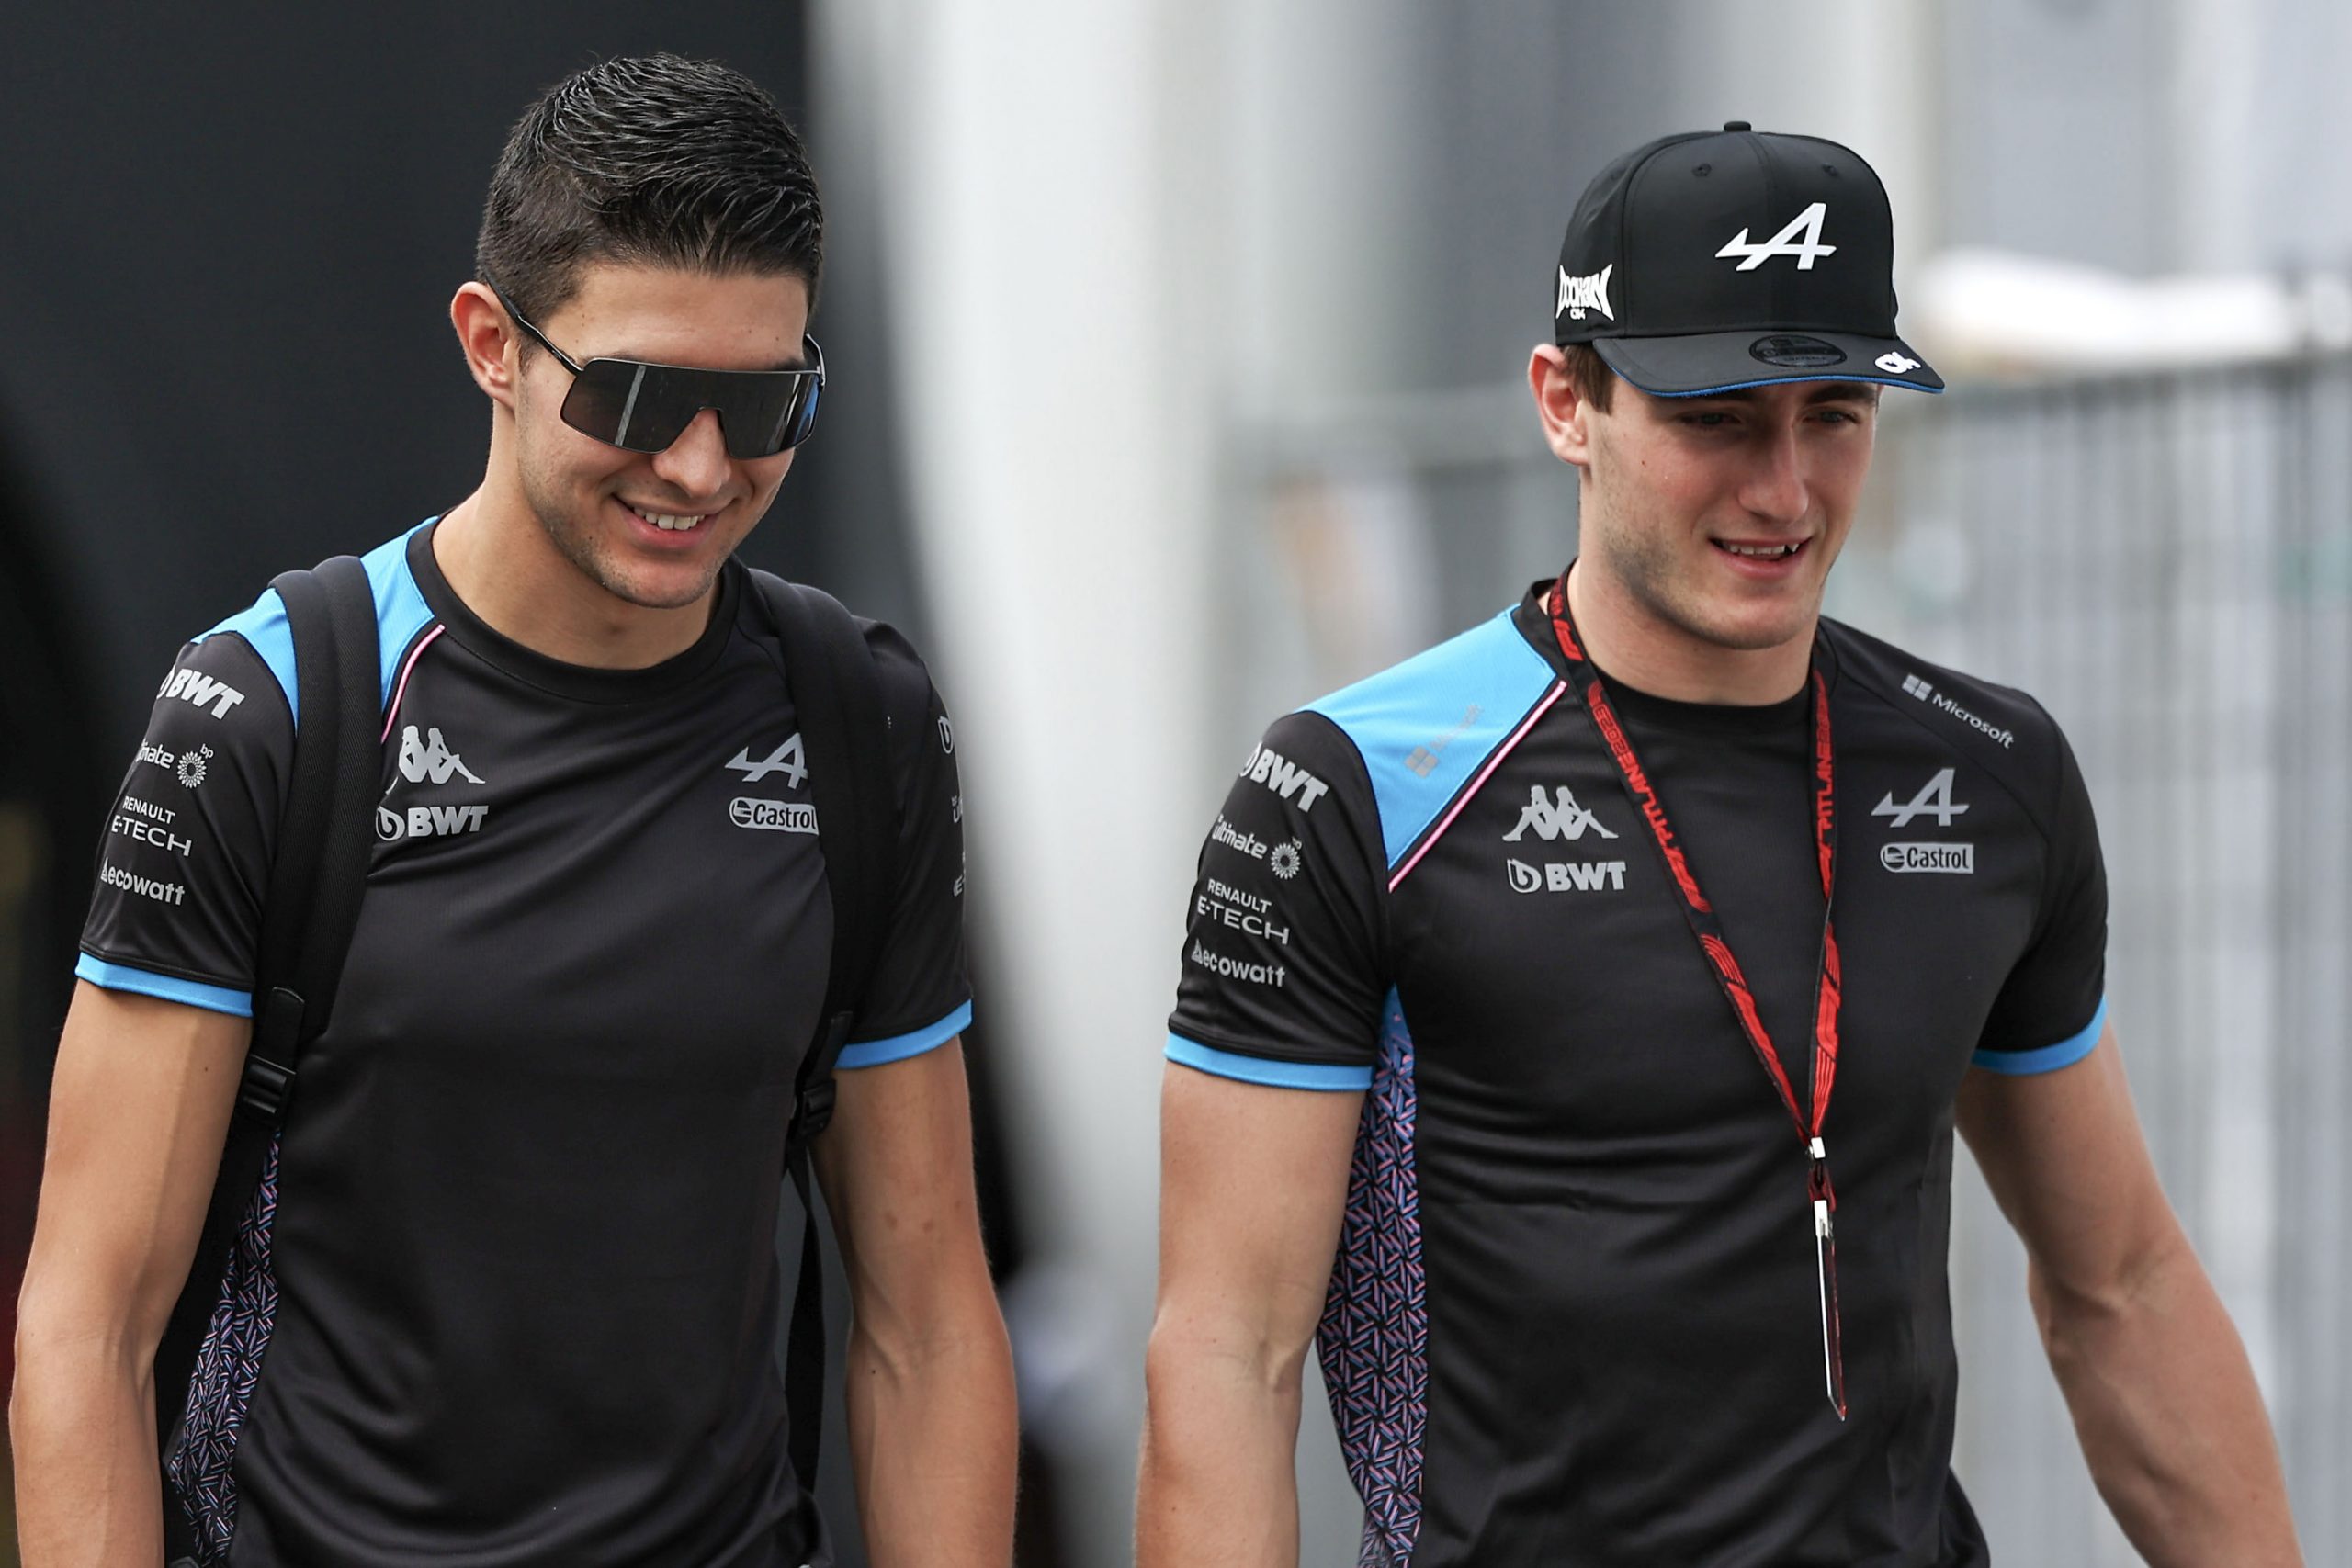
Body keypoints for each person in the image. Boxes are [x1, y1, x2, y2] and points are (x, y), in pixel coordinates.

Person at [1138, 123, 2301, 1566]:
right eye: (1717, 420)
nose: (1786, 491)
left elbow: (2121, 1285)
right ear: (1567, 403)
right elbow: (1226, 1354)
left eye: (1835, 415)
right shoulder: (1352, 793)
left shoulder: (1990, 773)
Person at [11, 54, 1015, 1568]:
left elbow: (927, 1317)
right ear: (491, 343)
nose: (699, 465)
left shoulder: (854, 720)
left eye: (762, 403)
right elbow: (90, 1318)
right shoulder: (275, 710)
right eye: (636, 395)